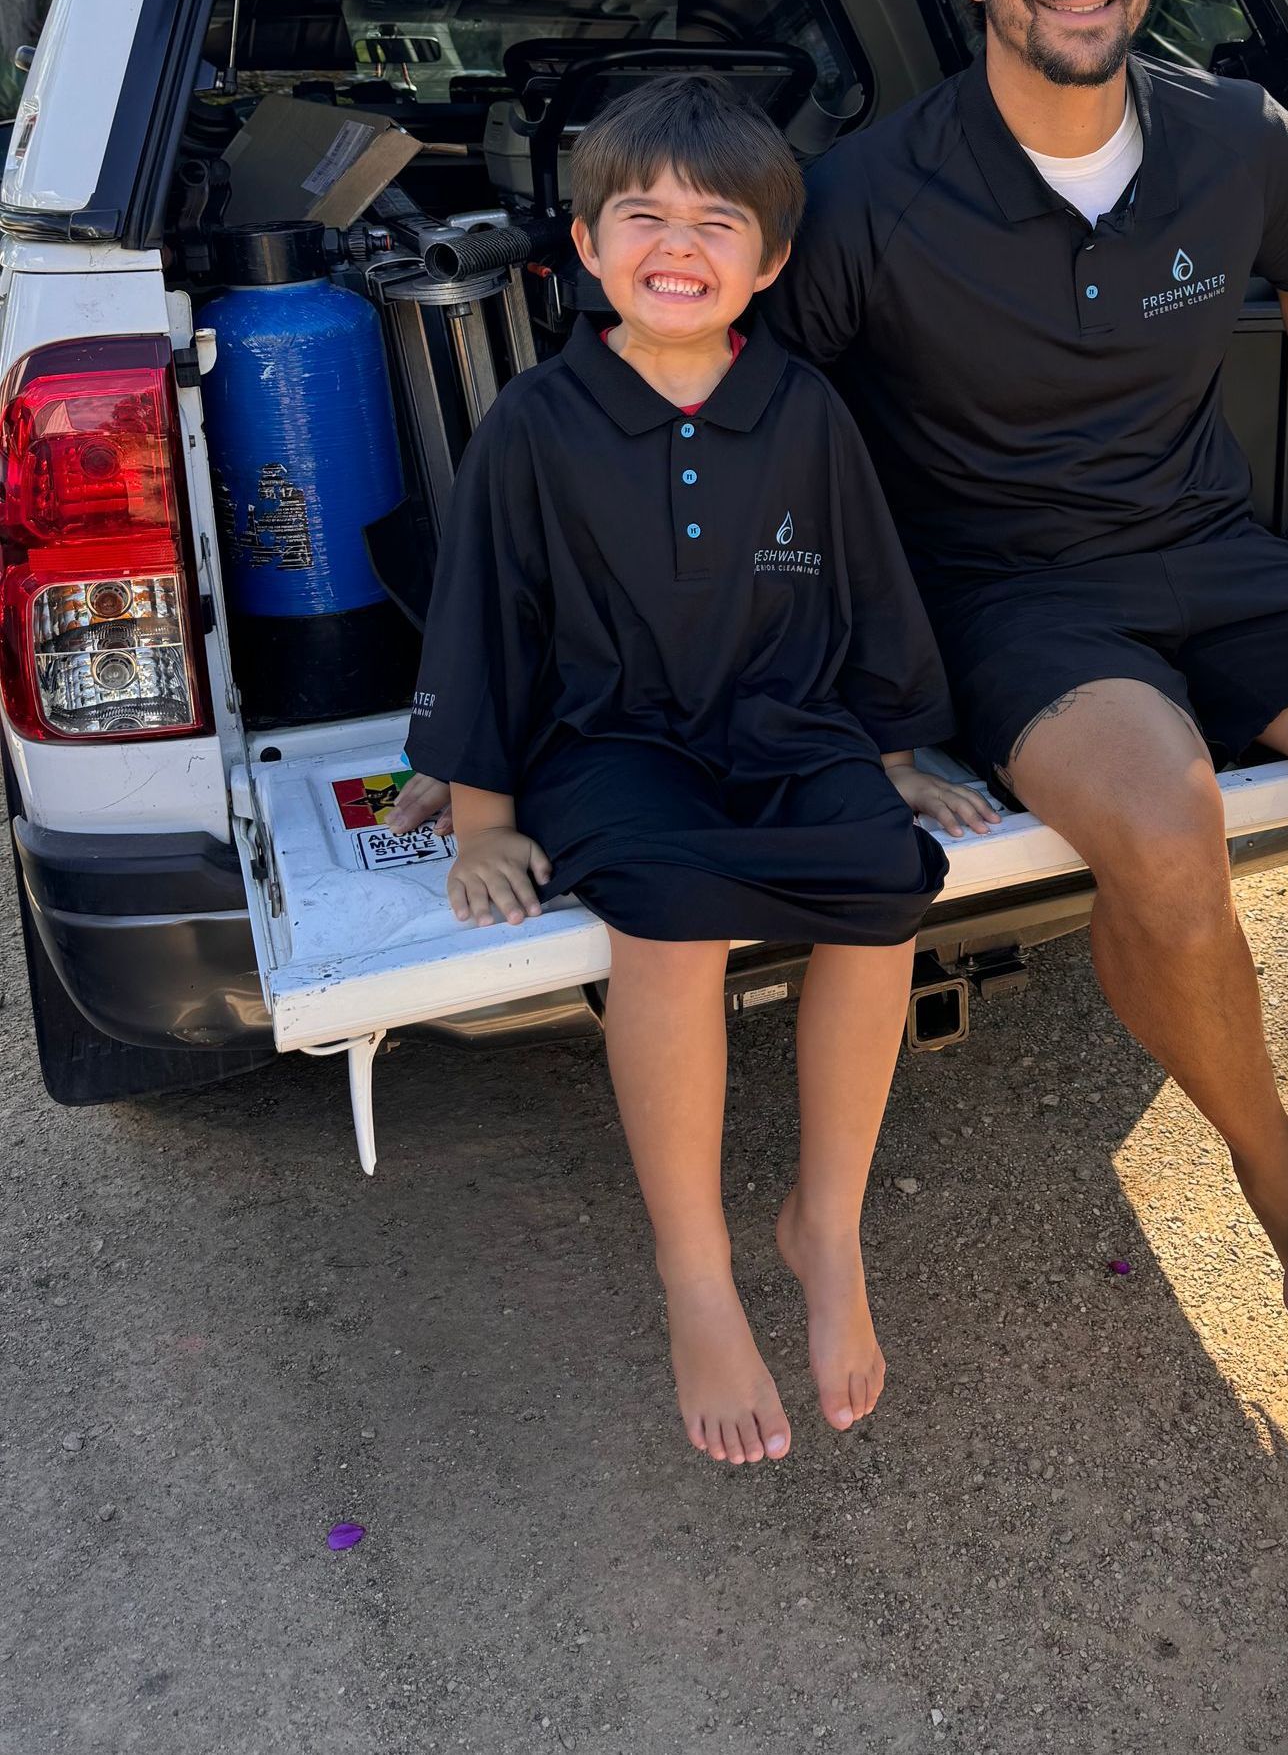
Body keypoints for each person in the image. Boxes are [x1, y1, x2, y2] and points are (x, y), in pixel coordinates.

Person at [400, 0, 1288, 1508]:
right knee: (1158, 815)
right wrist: (514, 738)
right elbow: (735, 420)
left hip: (1220, 556)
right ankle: (1275, 1183)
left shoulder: (1233, 139)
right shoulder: (866, 196)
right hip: (1012, 602)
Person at [404, 76, 994, 1468]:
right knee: (664, 919)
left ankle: (825, 1226)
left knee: (882, 883)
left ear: (770, 262)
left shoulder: (805, 411)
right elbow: (485, 621)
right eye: (643, 215)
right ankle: (697, 1272)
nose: (678, 242)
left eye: (716, 219)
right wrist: (481, 816)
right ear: (587, 243)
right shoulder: (537, 426)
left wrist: (895, 754)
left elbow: (868, 589)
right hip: (611, 740)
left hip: (786, 719)